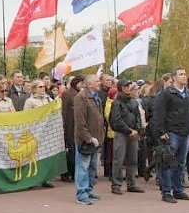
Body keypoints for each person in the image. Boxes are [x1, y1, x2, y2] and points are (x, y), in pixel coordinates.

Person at [153, 68, 189, 203]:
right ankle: (166, 192)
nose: (184, 76)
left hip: (185, 133)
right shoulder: (166, 94)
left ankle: (178, 190)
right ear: (174, 77)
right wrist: (162, 131)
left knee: (181, 163)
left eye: (185, 74)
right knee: (167, 162)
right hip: (171, 133)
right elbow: (159, 113)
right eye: (181, 74)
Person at [73, 75, 105, 205]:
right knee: (83, 167)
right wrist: (88, 137)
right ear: (89, 83)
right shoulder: (81, 97)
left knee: (92, 167)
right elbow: (80, 121)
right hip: (86, 140)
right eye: (97, 81)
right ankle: (81, 193)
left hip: (96, 139)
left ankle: (89, 190)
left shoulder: (97, 97)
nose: (99, 83)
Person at [109, 80, 145, 195]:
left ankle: (131, 183)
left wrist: (138, 130)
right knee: (118, 159)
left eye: (129, 86)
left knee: (133, 159)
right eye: (126, 86)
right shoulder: (117, 103)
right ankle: (116, 184)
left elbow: (138, 117)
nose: (128, 88)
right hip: (121, 133)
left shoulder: (134, 102)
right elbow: (115, 121)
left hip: (133, 133)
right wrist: (129, 130)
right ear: (121, 88)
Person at [60, 75, 83, 182]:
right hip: (70, 125)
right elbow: (64, 111)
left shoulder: (80, 94)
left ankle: (75, 173)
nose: (82, 85)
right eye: (80, 83)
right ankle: (68, 173)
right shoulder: (67, 94)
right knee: (70, 150)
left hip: (77, 125)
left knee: (76, 150)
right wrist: (64, 126)